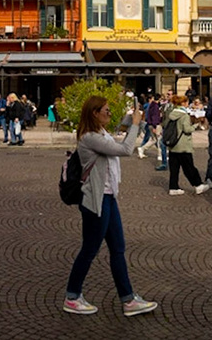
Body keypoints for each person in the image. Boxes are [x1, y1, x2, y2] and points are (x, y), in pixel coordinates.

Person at [61, 95, 157, 317]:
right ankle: (72, 297)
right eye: (106, 110)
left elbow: (119, 134)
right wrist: (135, 124)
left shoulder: (101, 133)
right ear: (94, 113)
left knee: (118, 249)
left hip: (108, 197)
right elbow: (125, 149)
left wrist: (133, 119)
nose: (109, 113)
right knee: (90, 249)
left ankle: (128, 299)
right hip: (96, 201)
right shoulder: (89, 138)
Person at [163, 94, 210, 195]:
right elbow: (187, 129)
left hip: (173, 145)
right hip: (183, 145)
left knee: (174, 168)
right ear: (183, 103)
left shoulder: (171, 113)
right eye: (187, 102)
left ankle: (173, 187)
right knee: (189, 167)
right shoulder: (184, 115)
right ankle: (198, 185)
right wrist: (196, 125)